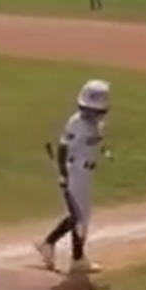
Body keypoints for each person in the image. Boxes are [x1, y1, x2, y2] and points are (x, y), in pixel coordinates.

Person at [35, 80, 111, 276]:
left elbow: (93, 146)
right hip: (75, 173)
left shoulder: (98, 125)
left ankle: (76, 258)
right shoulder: (76, 122)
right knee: (78, 217)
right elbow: (62, 148)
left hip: (86, 174)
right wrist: (62, 173)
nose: (89, 112)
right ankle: (50, 244)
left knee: (82, 218)